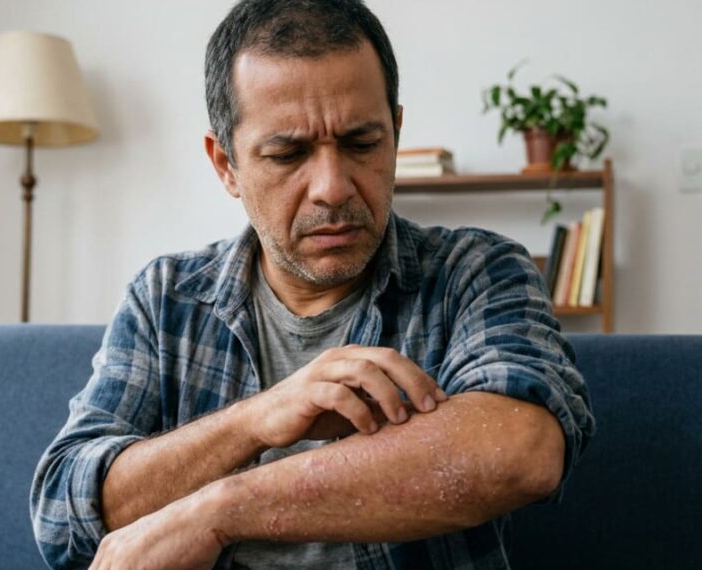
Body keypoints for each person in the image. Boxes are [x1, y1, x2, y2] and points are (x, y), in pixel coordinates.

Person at [31, 1, 595, 568]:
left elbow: (522, 451)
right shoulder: (165, 298)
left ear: (396, 133)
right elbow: (63, 510)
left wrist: (221, 509)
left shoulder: (475, 271)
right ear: (225, 164)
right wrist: (256, 419)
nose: (332, 187)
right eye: (288, 153)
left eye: (361, 143)